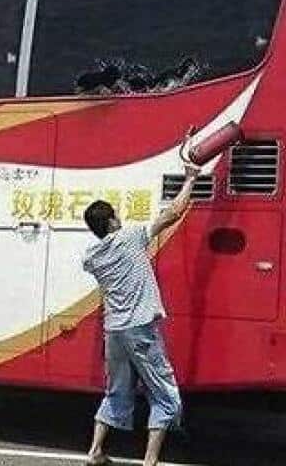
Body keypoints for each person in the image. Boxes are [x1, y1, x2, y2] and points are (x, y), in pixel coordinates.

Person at [83, 150, 201, 466]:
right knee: (164, 393)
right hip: (140, 328)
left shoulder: (91, 258)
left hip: (114, 331)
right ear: (112, 220)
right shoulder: (131, 237)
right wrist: (190, 178)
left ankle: (95, 451)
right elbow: (173, 212)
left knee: (116, 391)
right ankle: (150, 460)